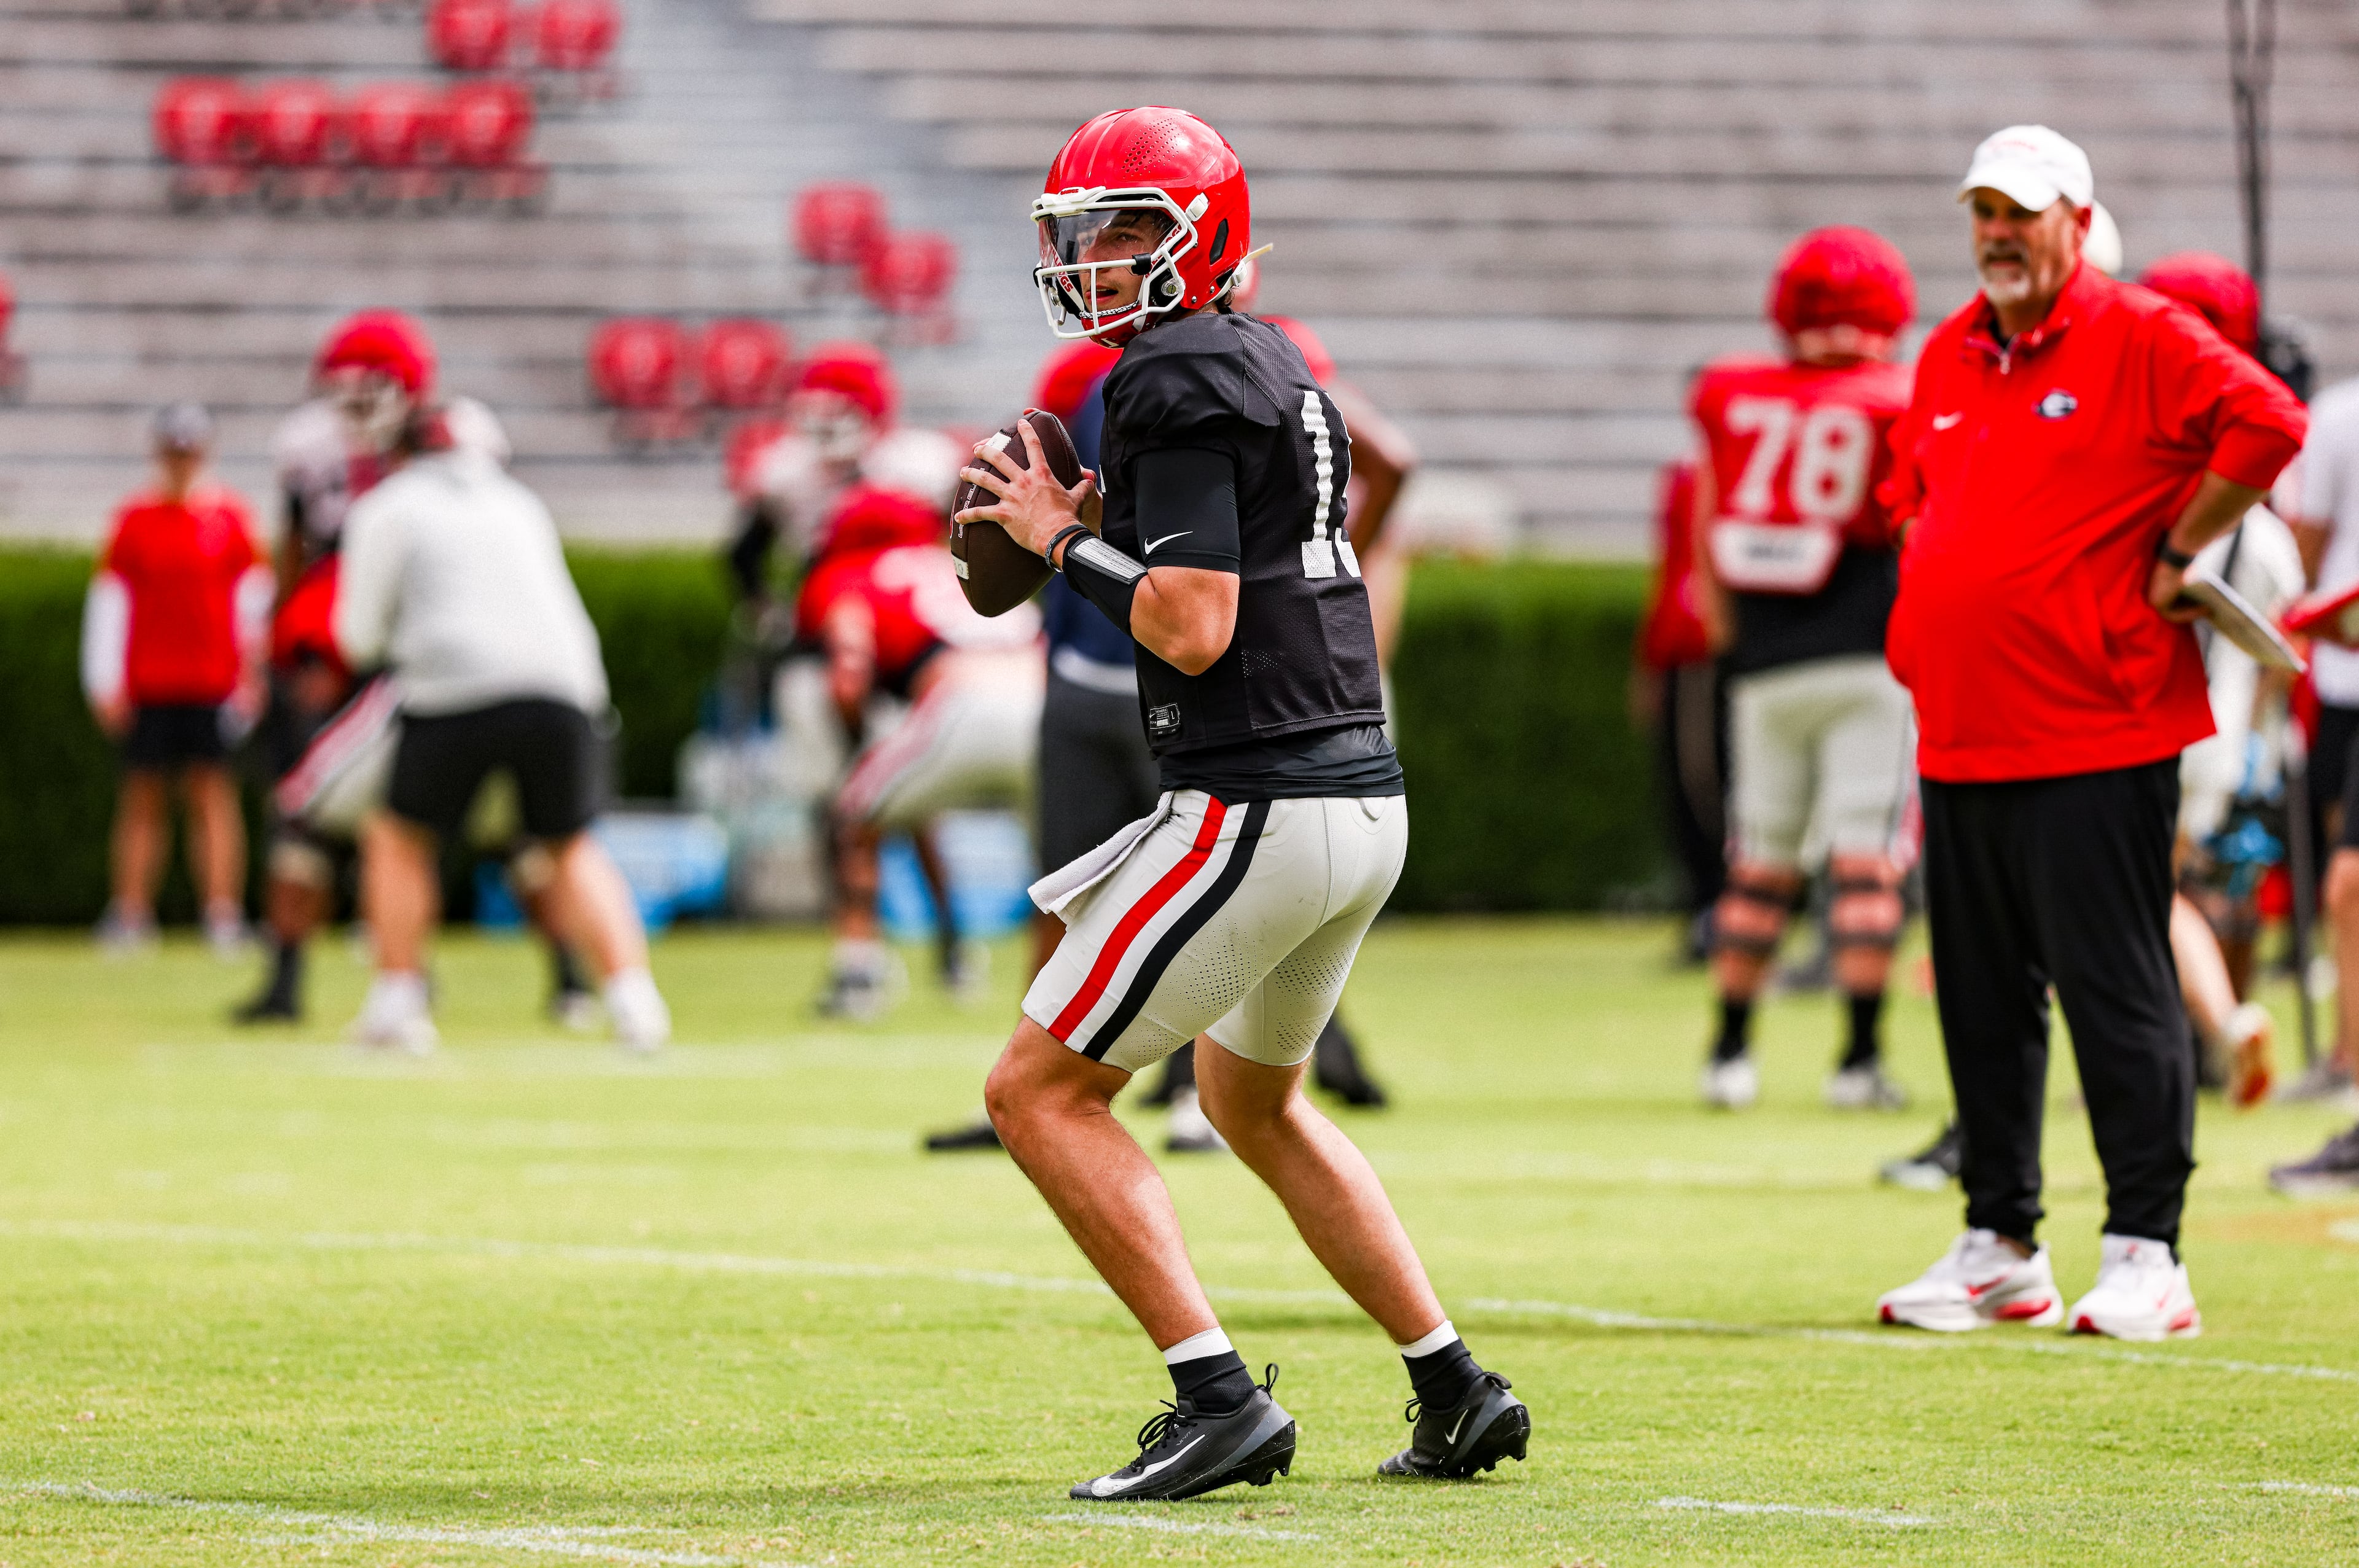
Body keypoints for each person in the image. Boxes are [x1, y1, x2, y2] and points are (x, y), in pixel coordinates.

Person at [960, 107, 1527, 1500]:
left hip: (1258, 799)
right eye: (1083, 232)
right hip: (1355, 794)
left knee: (1035, 1091)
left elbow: (1194, 624)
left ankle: (1214, 1394)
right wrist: (1103, 527)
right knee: (1248, 1098)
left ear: (1197, 237)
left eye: (1128, 229)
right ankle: (1453, 1382)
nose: (1096, 258)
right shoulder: (1267, 353)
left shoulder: (1175, 369)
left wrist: (1060, 542)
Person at [1871, 127, 2305, 1340]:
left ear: (2076, 217)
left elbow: (2269, 424)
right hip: (1962, 727)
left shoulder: (2144, 332)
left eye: (2021, 210)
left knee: (2116, 987)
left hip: (2099, 724)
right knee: (1981, 1000)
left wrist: (2178, 549)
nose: (1998, 233)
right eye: (1983, 212)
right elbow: (1917, 495)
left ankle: (2147, 1250)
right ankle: (2000, 1242)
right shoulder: (1952, 351)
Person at [238, 312, 591, 1026]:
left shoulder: (450, 445)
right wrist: (284, 640)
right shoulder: (312, 449)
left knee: (457, 827)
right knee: (393, 823)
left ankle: (560, 974)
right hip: (367, 646)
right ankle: (324, 979)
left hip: (427, 656)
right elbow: (296, 545)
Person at [334, 398, 672, 1056]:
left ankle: (399, 1001)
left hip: (452, 686)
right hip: (567, 687)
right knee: (570, 845)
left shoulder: (389, 506)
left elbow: (357, 636)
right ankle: (636, 1001)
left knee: (398, 835)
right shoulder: (519, 502)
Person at [1686, 227, 1919, 1113]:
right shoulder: (1898, 395)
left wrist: (1725, 633)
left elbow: (1708, 521)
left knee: (1760, 864)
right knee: (1865, 863)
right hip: (1869, 656)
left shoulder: (1734, 392)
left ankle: (1729, 1052)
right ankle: (1857, 1060)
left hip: (1765, 662)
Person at [805, 485, 1046, 1021]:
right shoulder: (956, 562)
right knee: (1062, 863)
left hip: (960, 697)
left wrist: (855, 739)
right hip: (1045, 698)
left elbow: (848, 676)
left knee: (855, 817)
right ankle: (1063, 996)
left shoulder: (851, 576)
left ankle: (858, 972)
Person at [82, 402, 270, 955]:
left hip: (211, 680)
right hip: (150, 681)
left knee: (212, 794)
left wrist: (251, 679)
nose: (182, 463)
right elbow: (110, 605)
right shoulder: (134, 520)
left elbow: (252, 605)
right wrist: (104, 681)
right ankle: (131, 912)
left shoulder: (230, 519)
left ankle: (222, 913)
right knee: (143, 797)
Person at [1633, 454, 1727, 964]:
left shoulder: (1705, 476)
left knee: (1705, 782)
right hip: (1686, 644)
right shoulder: (1689, 477)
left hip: (1703, 646)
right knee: (1688, 783)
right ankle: (1707, 909)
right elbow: (1670, 566)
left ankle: (1721, 910)